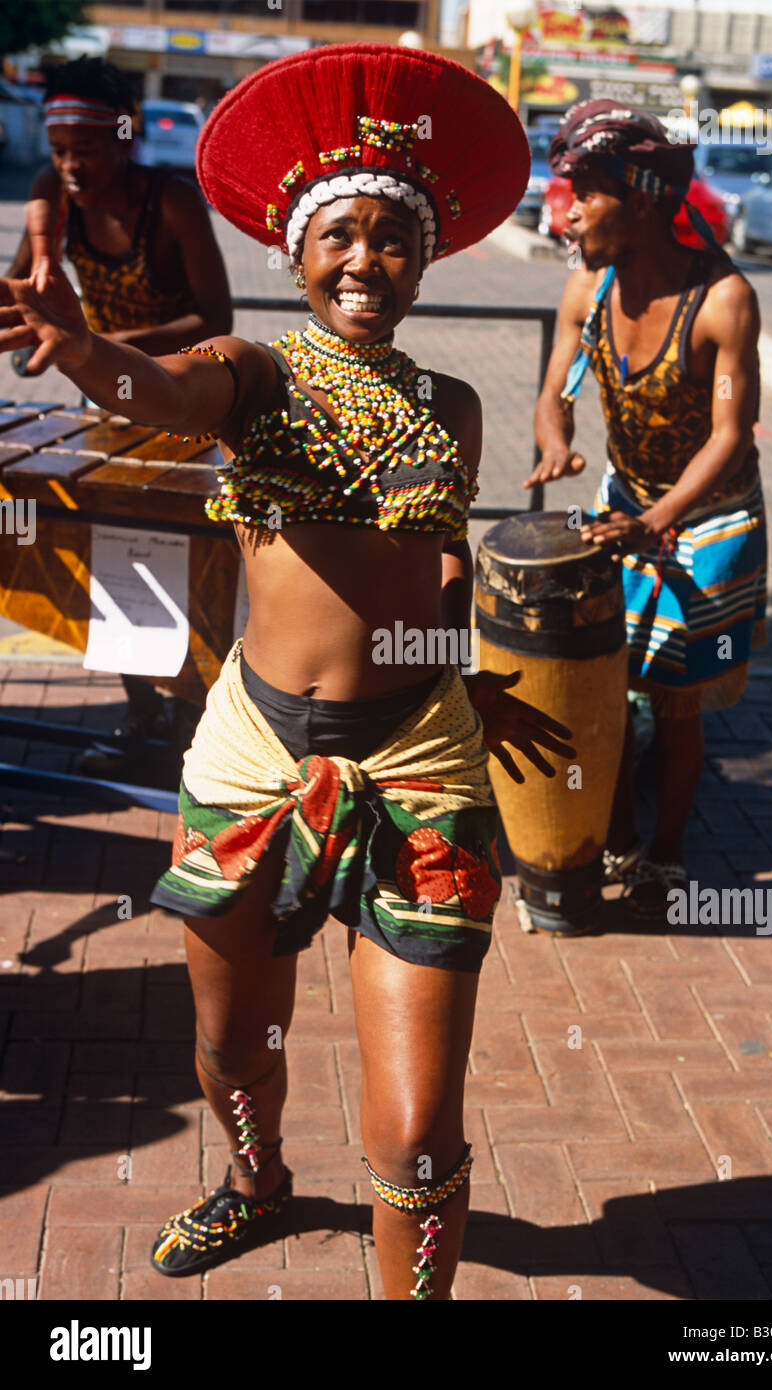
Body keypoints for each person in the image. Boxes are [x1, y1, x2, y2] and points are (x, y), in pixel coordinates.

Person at [0, 44, 574, 1300]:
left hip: (420, 760)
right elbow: (160, 388)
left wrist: (462, 671)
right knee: (229, 1047)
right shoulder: (254, 373)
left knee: (418, 1129)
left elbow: (435, 571)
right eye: (340, 235)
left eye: (392, 240)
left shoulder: (453, 406)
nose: (365, 260)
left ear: (425, 260)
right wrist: (87, 347)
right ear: (296, 251)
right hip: (255, 754)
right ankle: (254, 1180)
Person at [530, 101, 768, 918]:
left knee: (674, 697)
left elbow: (730, 436)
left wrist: (657, 518)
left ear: (639, 200)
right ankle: (621, 836)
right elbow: (554, 390)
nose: (566, 210)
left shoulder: (724, 301)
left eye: (584, 194)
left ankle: (663, 858)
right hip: (625, 503)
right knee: (606, 678)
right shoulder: (585, 287)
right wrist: (554, 439)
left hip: (712, 519)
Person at [6, 57, 233, 767]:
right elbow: (25, 295)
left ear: (124, 136)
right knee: (114, 558)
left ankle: (198, 722)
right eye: (61, 152)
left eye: (87, 150)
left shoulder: (171, 200)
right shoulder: (53, 196)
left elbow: (216, 314)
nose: (71, 166)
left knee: (189, 558)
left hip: (183, 396)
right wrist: (32, 331)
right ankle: (141, 714)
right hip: (105, 400)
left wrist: (101, 347)